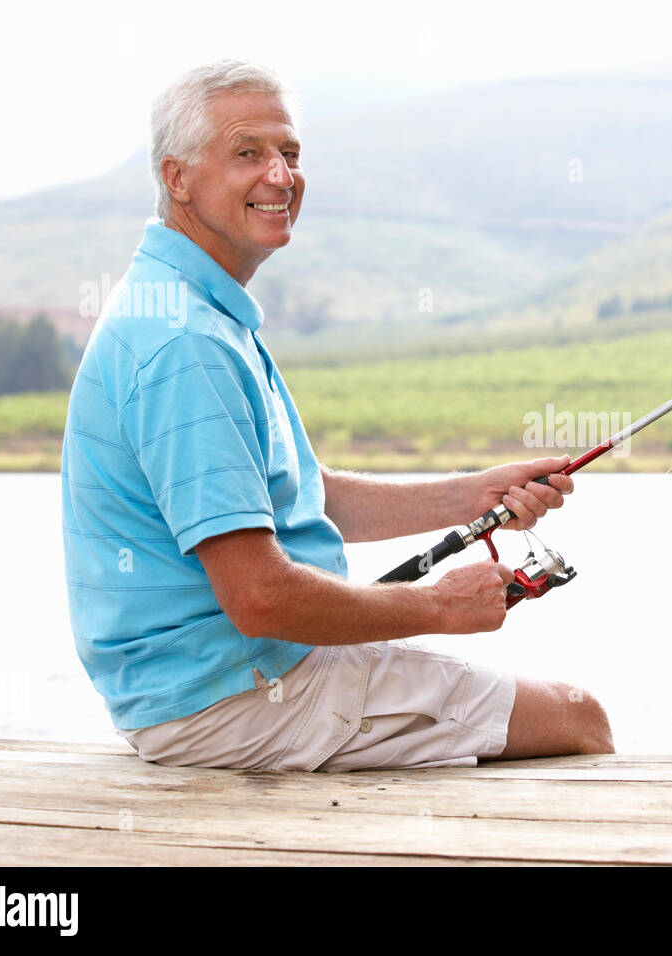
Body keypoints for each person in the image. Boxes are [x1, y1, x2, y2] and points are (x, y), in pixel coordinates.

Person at [60, 60, 613, 771]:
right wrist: (440, 607)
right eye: (247, 153)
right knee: (581, 719)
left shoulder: (185, 303)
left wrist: (474, 494)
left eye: (289, 153)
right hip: (232, 700)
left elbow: (299, 498)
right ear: (177, 179)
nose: (281, 176)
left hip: (216, 685)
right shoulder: (187, 343)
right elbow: (261, 598)